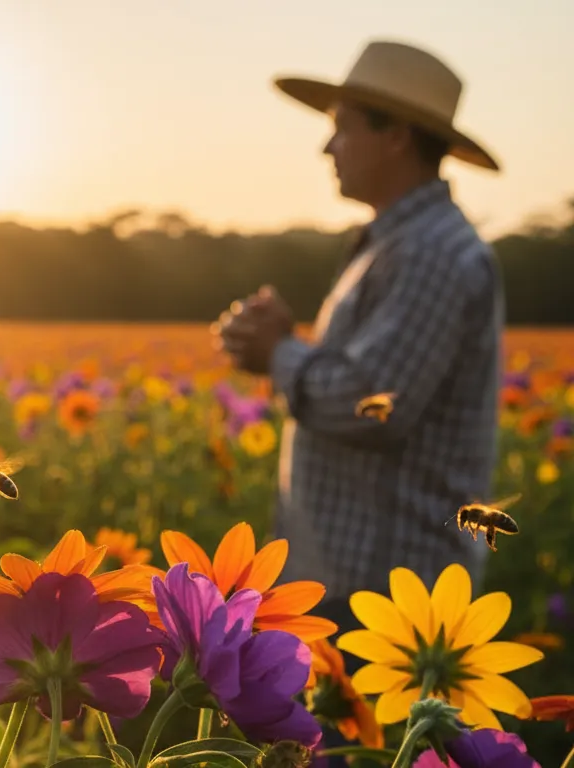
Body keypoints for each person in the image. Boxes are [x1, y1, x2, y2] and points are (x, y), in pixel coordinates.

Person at [214, 39, 505, 762]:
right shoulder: (394, 243)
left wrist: (277, 351)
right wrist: (289, 344)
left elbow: (373, 402)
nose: (327, 146)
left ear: (397, 134)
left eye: (344, 125)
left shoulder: (435, 250)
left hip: (390, 593)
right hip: (355, 579)